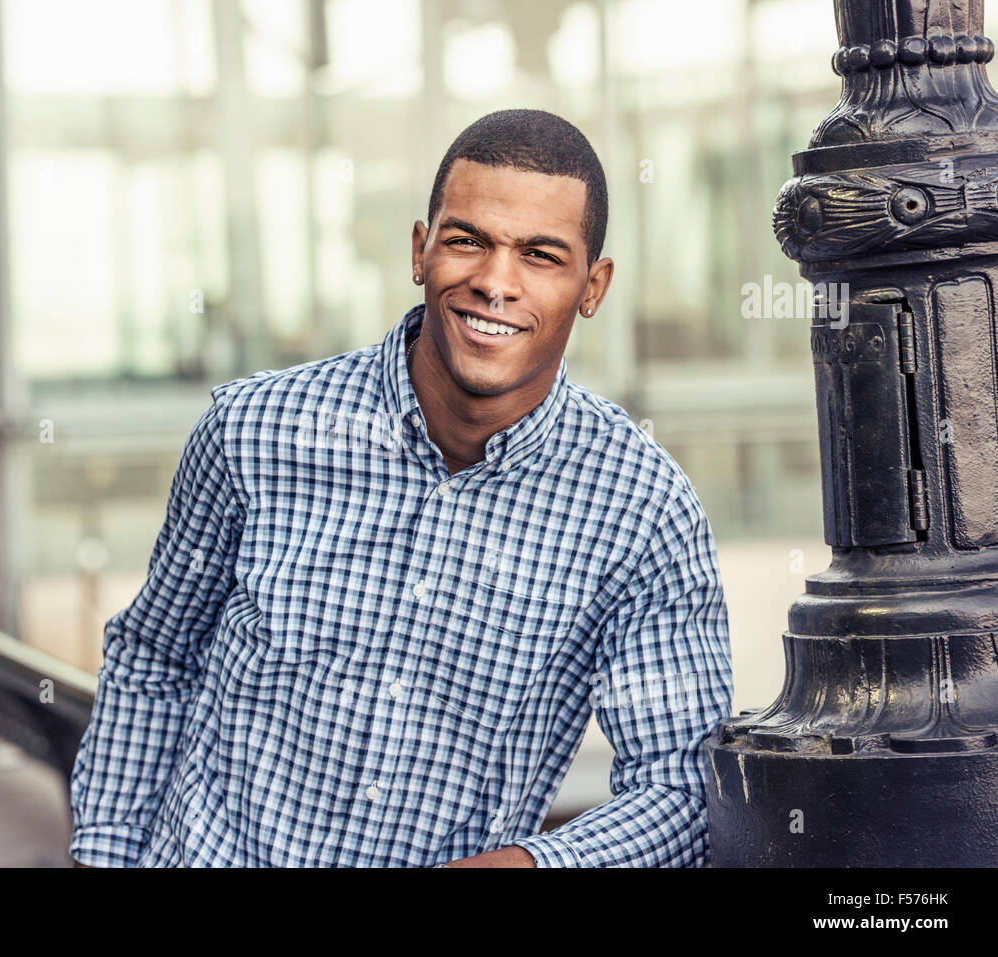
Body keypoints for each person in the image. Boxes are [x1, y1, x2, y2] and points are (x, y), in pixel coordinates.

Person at [69, 108, 734, 868]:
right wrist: (105, 854)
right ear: (421, 251)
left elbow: (680, 789)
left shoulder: (642, 510)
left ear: (593, 286)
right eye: (467, 240)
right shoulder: (254, 429)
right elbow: (155, 655)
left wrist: (528, 866)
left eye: (542, 255)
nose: (496, 282)